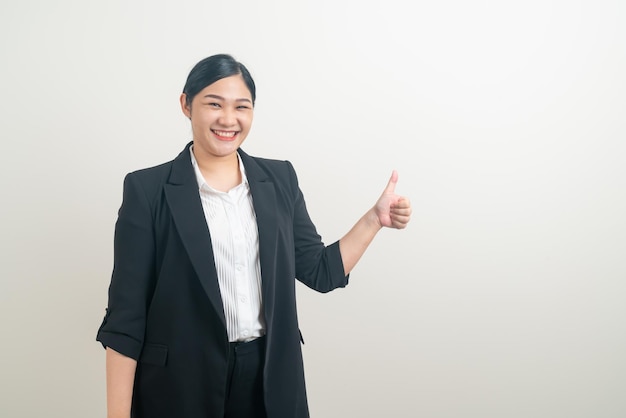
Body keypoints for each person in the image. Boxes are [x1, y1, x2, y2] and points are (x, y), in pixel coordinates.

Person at [97, 53, 412, 418]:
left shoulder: (279, 180)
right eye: (214, 104)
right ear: (187, 105)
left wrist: (373, 219)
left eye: (241, 107)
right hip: (181, 382)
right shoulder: (147, 190)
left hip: (270, 377)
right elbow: (126, 320)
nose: (228, 119)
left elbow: (320, 271)